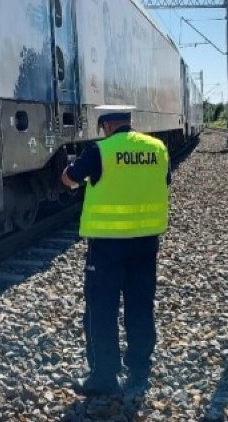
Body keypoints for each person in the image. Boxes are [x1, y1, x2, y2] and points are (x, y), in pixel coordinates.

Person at [61, 105, 171, 396]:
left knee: (102, 309)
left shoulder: (100, 151)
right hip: (146, 243)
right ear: (128, 122)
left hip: (107, 245)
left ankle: (105, 375)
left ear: (106, 126)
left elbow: (69, 179)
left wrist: (69, 166)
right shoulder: (158, 148)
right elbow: (162, 181)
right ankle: (139, 367)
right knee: (140, 305)